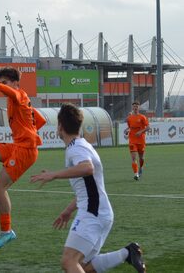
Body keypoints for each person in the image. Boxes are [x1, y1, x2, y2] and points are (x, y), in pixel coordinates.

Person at [30, 103, 146, 273]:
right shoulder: (82, 144)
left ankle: (128, 253)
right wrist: (68, 211)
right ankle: (127, 253)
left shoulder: (75, 149)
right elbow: (87, 187)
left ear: (60, 126)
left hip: (93, 213)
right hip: (99, 211)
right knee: (83, 266)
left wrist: (53, 174)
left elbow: (87, 168)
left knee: (69, 261)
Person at [0, 67, 47, 250]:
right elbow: (41, 120)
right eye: (1, 82)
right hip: (18, 145)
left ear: (15, 83)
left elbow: (10, 92)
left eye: (5, 82)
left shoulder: (19, 94)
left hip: (25, 150)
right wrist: (29, 130)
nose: (3, 85)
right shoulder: (19, 101)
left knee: (1, 188)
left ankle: (7, 232)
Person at [125, 101, 149, 180]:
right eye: (134, 106)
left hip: (141, 140)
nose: (135, 108)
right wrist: (127, 131)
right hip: (132, 140)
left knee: (141, 158)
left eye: (137, 106)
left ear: (139, 107)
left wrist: (140, 131)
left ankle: (141, 168)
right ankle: (136, 174)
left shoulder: (142, 117)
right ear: (132, 107)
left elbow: (148, 127)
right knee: (133, 158)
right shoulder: (129, 118)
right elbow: (129, 128)